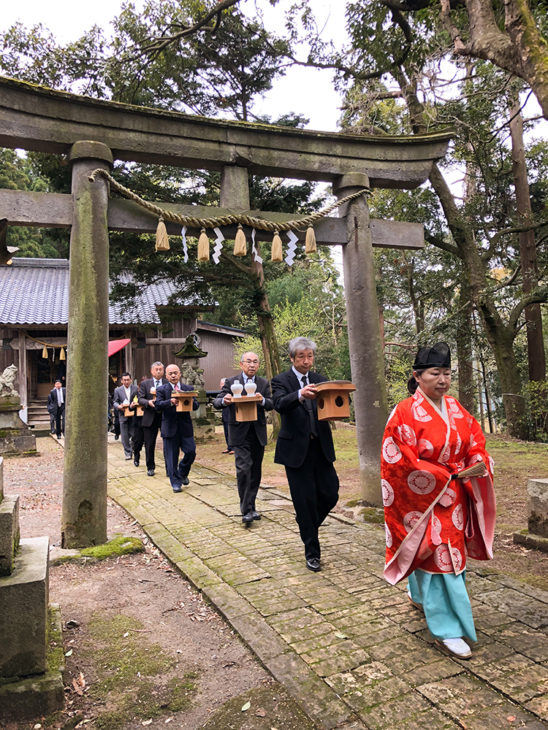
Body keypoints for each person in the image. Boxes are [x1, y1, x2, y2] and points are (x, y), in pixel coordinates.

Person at [382, 342, 496, 660]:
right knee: (436, 558)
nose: (443, 379)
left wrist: (478, 460)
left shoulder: (456, 408)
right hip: (424, 499)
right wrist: (439, 476)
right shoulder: (404, 412)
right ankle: (447, 629)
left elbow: (475, 439)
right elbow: (397, 460)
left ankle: (419, 596)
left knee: (441, 556)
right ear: (418, 377)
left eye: (447, 373)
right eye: (435, 373)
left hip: (454, 500)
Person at [271, 337, 339, 572]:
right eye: (301, 356)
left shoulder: (321, 380)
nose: (306, 361)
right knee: (304, 501)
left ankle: (307, 525)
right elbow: (279, 403)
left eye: (310, 356)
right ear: (291, 358)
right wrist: (300, 394)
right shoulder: (281, 380)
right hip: (295, 451)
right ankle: (312, 552)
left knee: (331, 493)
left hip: (321, 448)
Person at [214, 353, 273, 524]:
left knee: (255, 471)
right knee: (243, 469)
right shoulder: (231, 382)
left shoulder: (262, 383)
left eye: (255, 362)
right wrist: (225, 401)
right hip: (239, 433)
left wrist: (262, 401)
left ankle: (252, 506)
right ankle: (246, 510)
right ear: (241, 364)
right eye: (249, 362)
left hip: (257, 432)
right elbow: (217, 401)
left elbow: (272, 403)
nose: (252, 365)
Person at [155, 363, 199, 493]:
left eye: (175, 373)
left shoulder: (188, 388)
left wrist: (189, 399)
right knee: (171, 458)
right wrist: (170, 402)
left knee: (191, 452)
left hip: (185, 427)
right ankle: (175, 483)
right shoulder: (162, 390)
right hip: (169, 428)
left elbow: (195, 406)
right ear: (166, 376)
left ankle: (183, 472)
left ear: (180, 374)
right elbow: (157, 405)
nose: (173, 375)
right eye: (170, 373)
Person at [138, 362, 168, 476]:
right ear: (152, 371)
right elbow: (140, 399)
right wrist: (148, 402)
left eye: (161, 369)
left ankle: (169, 467)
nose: (159, 371)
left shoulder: (167, 383)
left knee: (168, 443)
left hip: (164, 416)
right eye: (156, 369)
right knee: (149, 444)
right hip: (150, 416)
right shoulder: (145, 384)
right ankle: (150, 467)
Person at [113, 373, 139, 460]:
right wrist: (118, 406)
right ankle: (128, 453)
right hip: (123, 414)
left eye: (128, 380)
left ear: (131, 380)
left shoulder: (135, 388)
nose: (126, 382)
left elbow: (138, 398)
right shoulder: (118, 390)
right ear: (121, 381)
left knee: (134, 434)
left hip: (133, 415)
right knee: (124, 436)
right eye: (124, 380)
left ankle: (133, 448)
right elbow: (115, 402)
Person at [218, 378, 234, 454]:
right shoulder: (221, 394)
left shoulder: (231, 392)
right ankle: (229, 447)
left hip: (231, 411)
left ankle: (233, 447)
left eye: (223, 384)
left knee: (231, 429)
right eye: (221, 384)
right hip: (225, 412)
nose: (222, 386)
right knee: (226, 429)